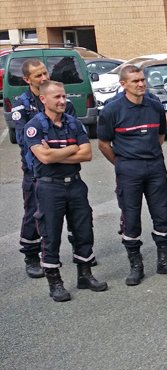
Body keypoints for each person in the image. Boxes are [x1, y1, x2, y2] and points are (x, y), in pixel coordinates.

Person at [97, 65, 167, 286]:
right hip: (129, 171)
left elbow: (161, 135)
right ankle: (136, 266)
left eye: (142, 80)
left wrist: (148, 155)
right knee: (131, 219)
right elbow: (104, 144)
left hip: (155, 168)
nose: (141, 84)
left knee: (162, 215)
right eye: (135, 81)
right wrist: (122, 163)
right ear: (123, 84)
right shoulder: (112, 110)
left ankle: (164, 261)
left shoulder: (155, 106)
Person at [25, 80, 106, 301]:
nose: (63, 101)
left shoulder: (73, 123)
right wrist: (72, 148)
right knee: (50, 234)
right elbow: (44, 157)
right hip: (49, 186)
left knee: (83, 230)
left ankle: (85, 275)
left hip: (76, 184)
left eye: (64, 96)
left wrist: (56, 153)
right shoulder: (34, 126)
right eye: (57, 97)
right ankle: (55, 282)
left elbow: (86, 154)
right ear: (43, 99)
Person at [12, 59, 77, 279]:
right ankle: (31, 256)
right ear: (27, 80)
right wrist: (54, 152)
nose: (44, 78)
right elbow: (26, 141)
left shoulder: (63, 101)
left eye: (45, 73)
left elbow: (75, 135)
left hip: (64, 168)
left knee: (74, 210)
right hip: (35, 170)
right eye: (38, 75)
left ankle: (80, 250)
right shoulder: (22, 105)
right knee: (34, 212)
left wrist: (55, 151)